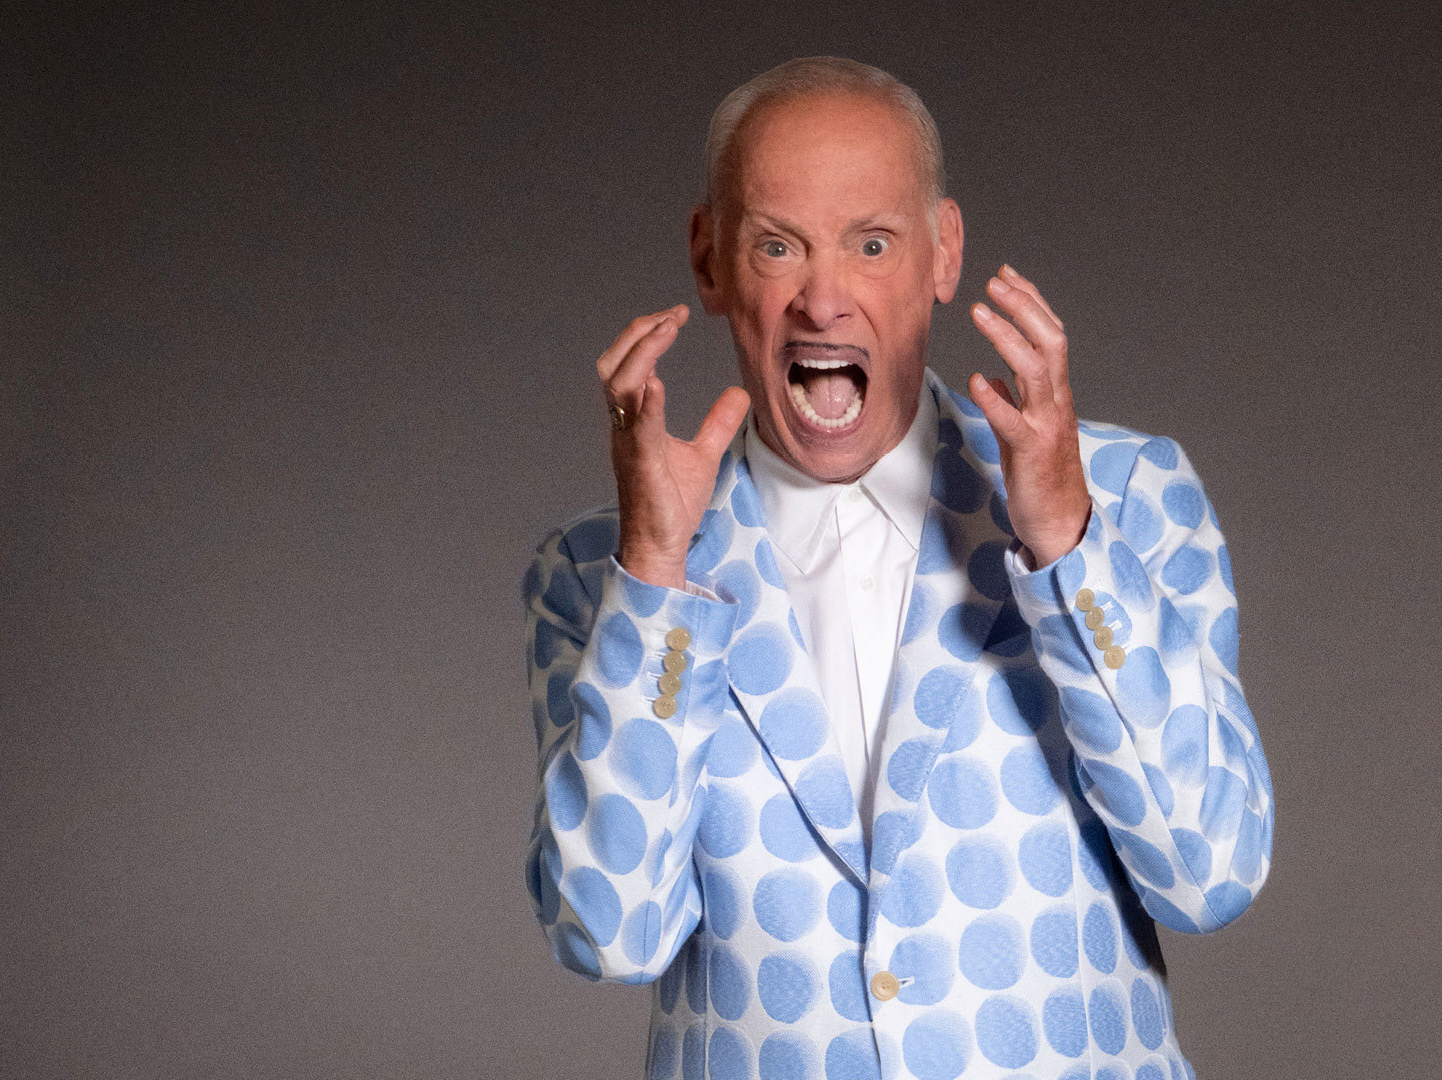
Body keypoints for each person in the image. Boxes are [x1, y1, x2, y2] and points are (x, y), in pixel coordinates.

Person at [522, 57, 1271, 1080]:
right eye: (777, 246)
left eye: (871, 243)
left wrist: (1068, 548)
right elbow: (609, 934)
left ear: (942, 253)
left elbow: (1211, 871)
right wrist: (655, 579)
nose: (823, 301)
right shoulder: (596, 576)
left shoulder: (1128, 498)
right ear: (709, 261)